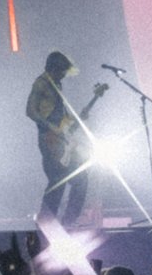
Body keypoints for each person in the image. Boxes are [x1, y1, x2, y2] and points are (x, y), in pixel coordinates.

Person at [26, 49, 101, 223]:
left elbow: (61, 117)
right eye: (62, 71)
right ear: (54, 68)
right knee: (57, 180)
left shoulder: (57, 85)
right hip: (49, 139)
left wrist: (78, 118)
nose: (64, 75)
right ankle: (47, 222)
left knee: (80, 178)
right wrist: (52, 127)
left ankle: (68, 221)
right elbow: (30, 111)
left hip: (61, 139)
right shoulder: (41, 84)